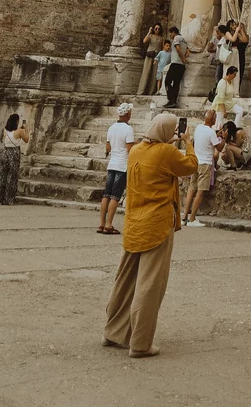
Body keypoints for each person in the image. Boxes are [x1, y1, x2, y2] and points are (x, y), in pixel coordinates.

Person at [103, 112, 198, 357]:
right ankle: (140, 343)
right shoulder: (166, 153)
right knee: (150, 284)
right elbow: (190, 166)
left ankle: (113, 332)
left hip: (134, 223)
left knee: (125, 281)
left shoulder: (136, 150)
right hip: (157, 224)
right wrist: (188, 142)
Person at [98, 103, 136, 234]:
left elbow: (108, 148)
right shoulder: (128, 129)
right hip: (122, 165)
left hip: (112, 163)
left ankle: (101, 223)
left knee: (106, 194)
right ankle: (109, 224)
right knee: (115, 196)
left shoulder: (111, 128)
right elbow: (130, 149)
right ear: (128, 114)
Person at [183, 110, 224, 227]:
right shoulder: (211, 132)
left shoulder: (199, 128)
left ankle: (184, 216)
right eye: (215, 117)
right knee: (200, 191)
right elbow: (219, 148)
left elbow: (206, 139)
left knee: (192, 188)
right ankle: (192, 219)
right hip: (205, 163)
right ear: (213, 119)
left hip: (196, 161)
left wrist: (216, 135)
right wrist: (224, 138)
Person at [0, 114, 28, 205]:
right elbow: (26, 139)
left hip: (5, 152)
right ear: (16, 121)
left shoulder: (5, 130)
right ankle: (8, 199)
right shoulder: (19, 131)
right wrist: (26, 129)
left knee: (2, 175)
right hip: (14, 153)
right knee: (12, 176)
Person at [137, 23, 164, 96]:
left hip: (157, 57)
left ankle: (151, 92)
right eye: (156, 28)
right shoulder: (151, 36)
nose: (157, 30)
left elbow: (162, 48)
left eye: (159, 29)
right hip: (149, 56)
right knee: (146, 72)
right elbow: (144, 41)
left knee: (154, 74)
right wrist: (149, 32)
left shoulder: (162, 38)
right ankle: (141, 91)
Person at [164, 26, 187, 107]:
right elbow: (188, 51)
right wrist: (184, 59)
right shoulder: (184, 40)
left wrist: (182, 58)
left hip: (176, 64)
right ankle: (173, 101)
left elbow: (178, 48)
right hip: (181, 66)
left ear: (174, 32)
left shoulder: (176, 38)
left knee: (167, 81)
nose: (170, 35)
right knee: (176, 84)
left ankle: (170, 99)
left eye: (170, 33)